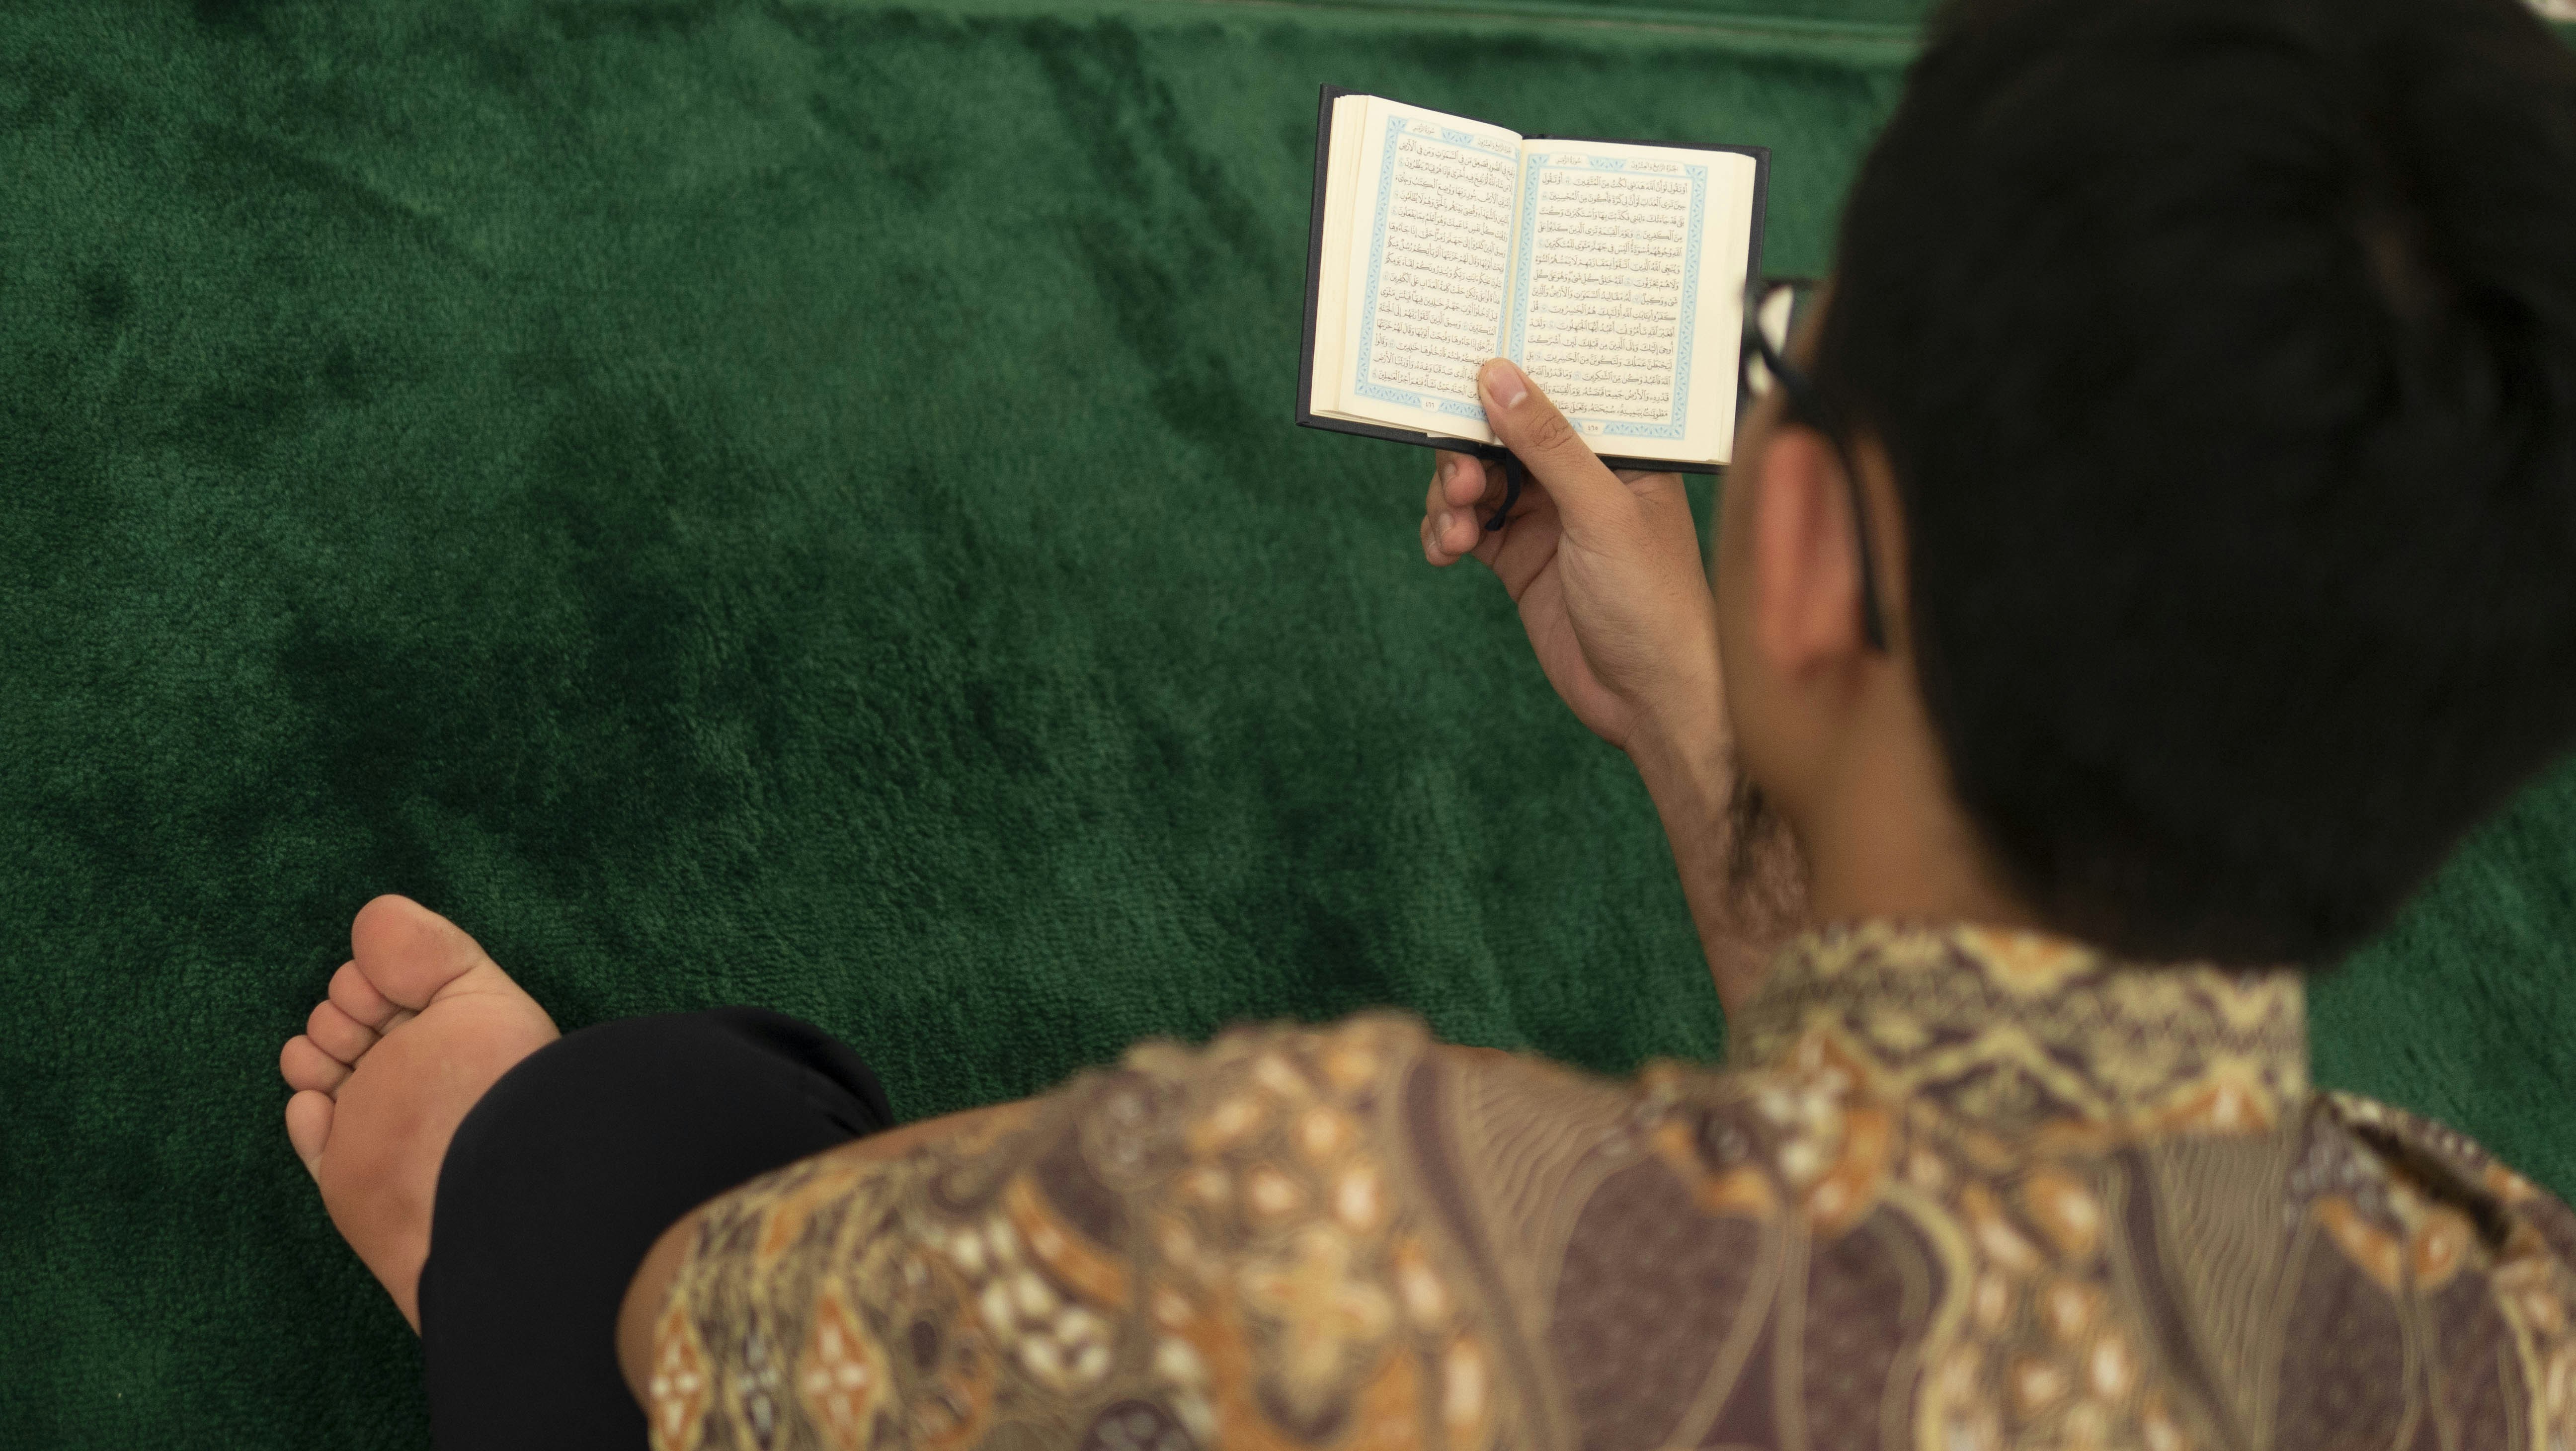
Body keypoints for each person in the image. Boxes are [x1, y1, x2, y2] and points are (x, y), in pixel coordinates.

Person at [277, 0, 2576, 1445]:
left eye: (1789, 351)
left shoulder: (1328, 1215)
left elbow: (712, 1335)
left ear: (1801, 545)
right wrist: (1703, 740)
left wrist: (557, 1221)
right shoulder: (2521, 1316)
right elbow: (1946, 1193)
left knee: (620, 1147)